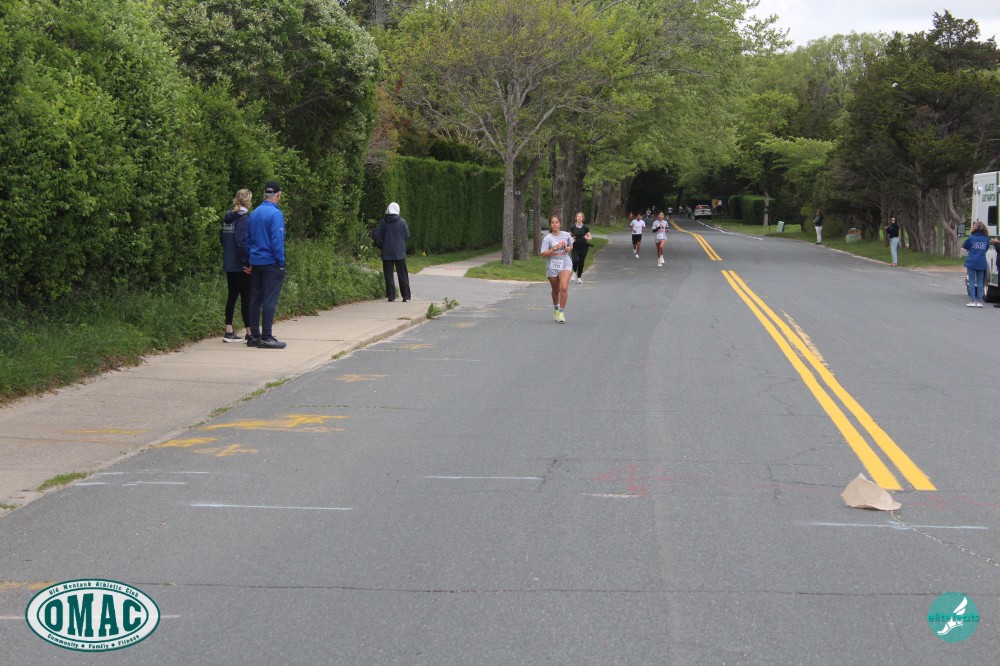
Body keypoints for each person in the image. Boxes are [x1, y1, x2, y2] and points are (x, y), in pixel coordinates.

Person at [245, 181, 287, 348]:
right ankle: (266, 336)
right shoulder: (275, 214)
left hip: (256, 262)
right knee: (269, 300)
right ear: (278, 195)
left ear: (264, 194)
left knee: (255, 299)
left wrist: (250, 259)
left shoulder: (254, 213)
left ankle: (254, 336)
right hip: (271, 262)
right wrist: (281, 262)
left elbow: (248, 239)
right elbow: (277, 241)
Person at [221, 189, 252, 342]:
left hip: (229, 262)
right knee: (247, 297)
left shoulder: (228, 217)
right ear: (248, 201)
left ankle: (229, 330)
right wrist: (246, 263)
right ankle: (250, 332)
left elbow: (222, 239)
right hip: (240, 265)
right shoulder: (244, 219)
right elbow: (241, 243)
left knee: (232, 296)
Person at [372, 202, 411, 302]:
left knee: (388, 275)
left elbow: (375, 234)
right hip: (399, 252)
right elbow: (406, 235)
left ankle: (391, 296)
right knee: (402, 274)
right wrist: (400, 243)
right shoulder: (402, 222)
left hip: (387, 252)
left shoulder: (383, 222)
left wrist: (381, 245)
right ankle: (406, 296)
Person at [541, 215, 573, 323]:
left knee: (563, 287)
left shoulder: (566, 235)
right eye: (552, 223)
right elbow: (543, 255)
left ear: (560, 224)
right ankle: (556, 308)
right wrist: (554, 248)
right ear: (550, 225)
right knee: (556, 290)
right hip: (552, 265)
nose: (555, 224)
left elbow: (571, 245)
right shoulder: (547, 238)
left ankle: (561, 312)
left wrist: (568, 248)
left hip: (565, 264)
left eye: (556, 222)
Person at [963, 221, 989, 308]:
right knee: (980, 281)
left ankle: (972, 300)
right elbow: (986, 248)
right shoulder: (986, 238)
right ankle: (980, 301)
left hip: (971, 261)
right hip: (981, 261)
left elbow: (965, 245)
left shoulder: (971, 237)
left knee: (972, 281)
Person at [569, 211, 592, 283]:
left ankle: (579, 278)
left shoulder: (585, 227)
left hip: (583, 247)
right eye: (578, 216)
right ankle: (574, 272)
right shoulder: (573, 227)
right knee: (575, 260)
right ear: (576, 218)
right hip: (575, 246)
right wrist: (572, 239)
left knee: (581, 263)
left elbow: (590, 237)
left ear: (582, 219)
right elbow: (569, 236)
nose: (579, 218)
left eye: (581, 217)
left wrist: (587, 238)